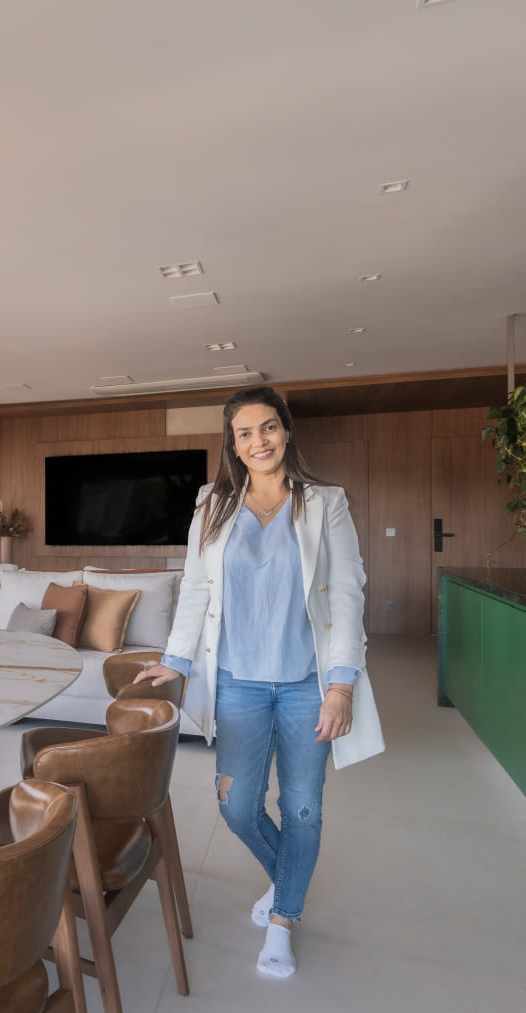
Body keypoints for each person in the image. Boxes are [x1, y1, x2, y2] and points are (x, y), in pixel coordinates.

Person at [134, 386, 384, 978]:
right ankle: (288, 880)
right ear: (233, 444)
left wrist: (341, 685)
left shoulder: (325, 502)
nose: (258, 441)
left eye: (268, 427)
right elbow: (195, 588)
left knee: (302, 808)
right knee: (238, 806)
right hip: (237, 683)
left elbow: (347, 593)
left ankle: (283, 919)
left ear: (286, 431)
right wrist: (177, 659)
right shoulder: (211, 504)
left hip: (307, 684)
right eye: (244, 433)